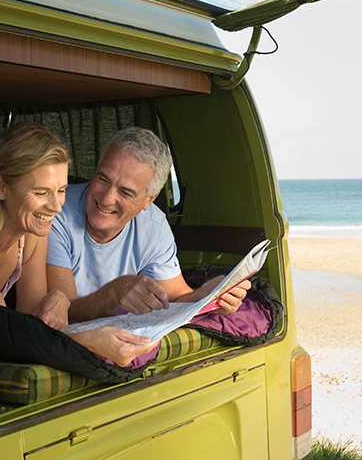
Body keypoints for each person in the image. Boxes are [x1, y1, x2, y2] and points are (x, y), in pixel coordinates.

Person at [0, 122, 157, 366]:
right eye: (40, 192)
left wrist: (59, 297)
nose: (57, 206)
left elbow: (31, 319)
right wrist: (85, 340)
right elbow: (5, 331)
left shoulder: (32, 236)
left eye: (61, 190)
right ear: (1, 187)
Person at [46, 126, 250, 322]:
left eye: (125, 192)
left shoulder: (154, 227)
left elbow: (176, 299)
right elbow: (64, 310)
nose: (107, 198)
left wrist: (207, 294)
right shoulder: (55, 211)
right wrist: (114, 292)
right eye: (103, 180)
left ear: (148, 200)